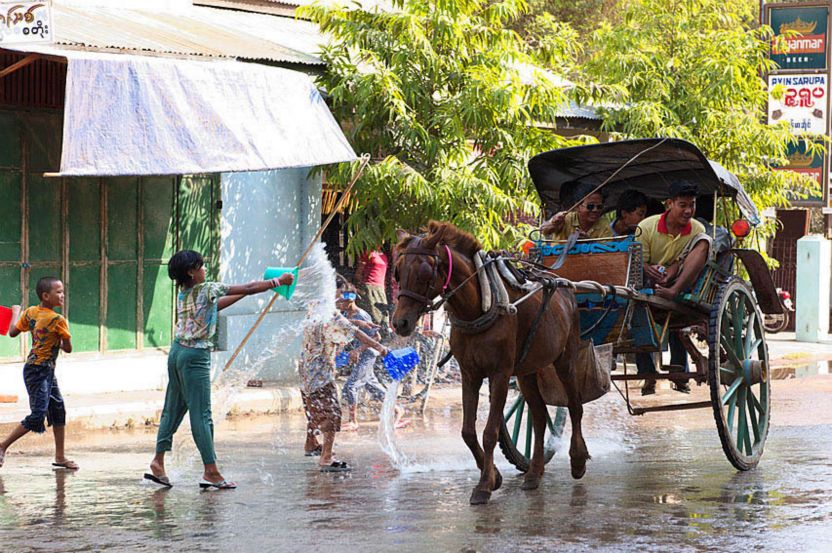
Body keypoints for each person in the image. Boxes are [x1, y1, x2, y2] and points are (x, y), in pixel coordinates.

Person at [145, 250, 294, 490]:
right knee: (201, 415)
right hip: (195, 357)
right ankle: (211, 471)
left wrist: (241, 295)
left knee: (171, 410)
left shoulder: (185, 293)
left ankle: (158, 462)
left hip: (176, 353)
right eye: (201, 266)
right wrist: (277, 282)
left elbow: (215, 307)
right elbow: (247, 286)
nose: (205, 270)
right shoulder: (207, 288)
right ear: (191, 272)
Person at [300, 284, 389, 472]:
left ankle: (311, 444)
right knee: (331, 412)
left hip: (306, 370)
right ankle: (326, 457)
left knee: (313, 408)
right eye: (341, 294)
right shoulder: (331, 314)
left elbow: (346, 325)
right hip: (321, 372)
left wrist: (360, 323)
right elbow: (354, 333)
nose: (344, 299)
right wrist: (380, 348)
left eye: (347, 295)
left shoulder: (314, 307)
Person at [635, 180, 712, 395]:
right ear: (669, 204)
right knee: (635, 308)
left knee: (704, 241)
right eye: (682, 205)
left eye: (692, 205)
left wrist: (673, 275)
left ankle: (679, 373)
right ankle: (647, 373)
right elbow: (637, 261)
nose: (688, 210)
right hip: (648, 283)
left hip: (682, 283)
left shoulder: (696, 228)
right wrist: (648, 269)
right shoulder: (647, 227)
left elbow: (688, 259)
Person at [0, 277, 74, 471]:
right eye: (58, 292)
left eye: (62, 291)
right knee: (38, 415)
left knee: (58, 409)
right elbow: (68, 349)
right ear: (46, 296)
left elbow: (13, 332)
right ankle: (2, 446)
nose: (62, 295)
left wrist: (16, 312)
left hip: (38, 370)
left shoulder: (31, 312)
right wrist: (63, 339)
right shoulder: (59, 321)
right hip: (40, 372)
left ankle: (60, 457)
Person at [337, 286, 407, 431]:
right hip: (360, 354)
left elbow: (376, 336)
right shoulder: (344, 313)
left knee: (351, 386)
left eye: (341, 300)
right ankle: (397, 409)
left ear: (350, 300)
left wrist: (357, 350)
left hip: (367, 355)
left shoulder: (361, 316)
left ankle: (353, 421)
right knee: (373, 387)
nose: (338, 303)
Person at [540, 188, 612, 240]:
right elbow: (543, 231)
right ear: (577, 206)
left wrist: (588, 242)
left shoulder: (604, 225)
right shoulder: (565, 219)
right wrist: (553, 223)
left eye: (599, 206)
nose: (595, 210)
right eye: (590, 206)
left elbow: (607, 253)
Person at [355, 249, 391, 331]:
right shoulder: (368, 253)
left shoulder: (383, 255)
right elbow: (358, 273)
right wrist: (364, 288)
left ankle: (382, 339)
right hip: (370, 287)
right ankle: (372, 338)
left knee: (384, 317)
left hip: (381, 289)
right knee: (374, 316)